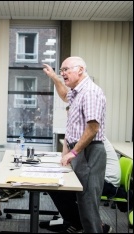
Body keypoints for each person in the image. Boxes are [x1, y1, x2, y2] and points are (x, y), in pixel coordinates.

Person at [43, 57, 107, 233]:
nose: (62, 73)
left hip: (89, 152)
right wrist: (55, 78)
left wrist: (74, 152)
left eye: (66, 70)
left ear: (80, 70)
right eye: (61, 70)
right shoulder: (77, 91)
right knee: (78, 200)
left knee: (87, 205)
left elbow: (93, 128)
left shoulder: (90, 92)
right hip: (80, 151)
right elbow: (64, 95)